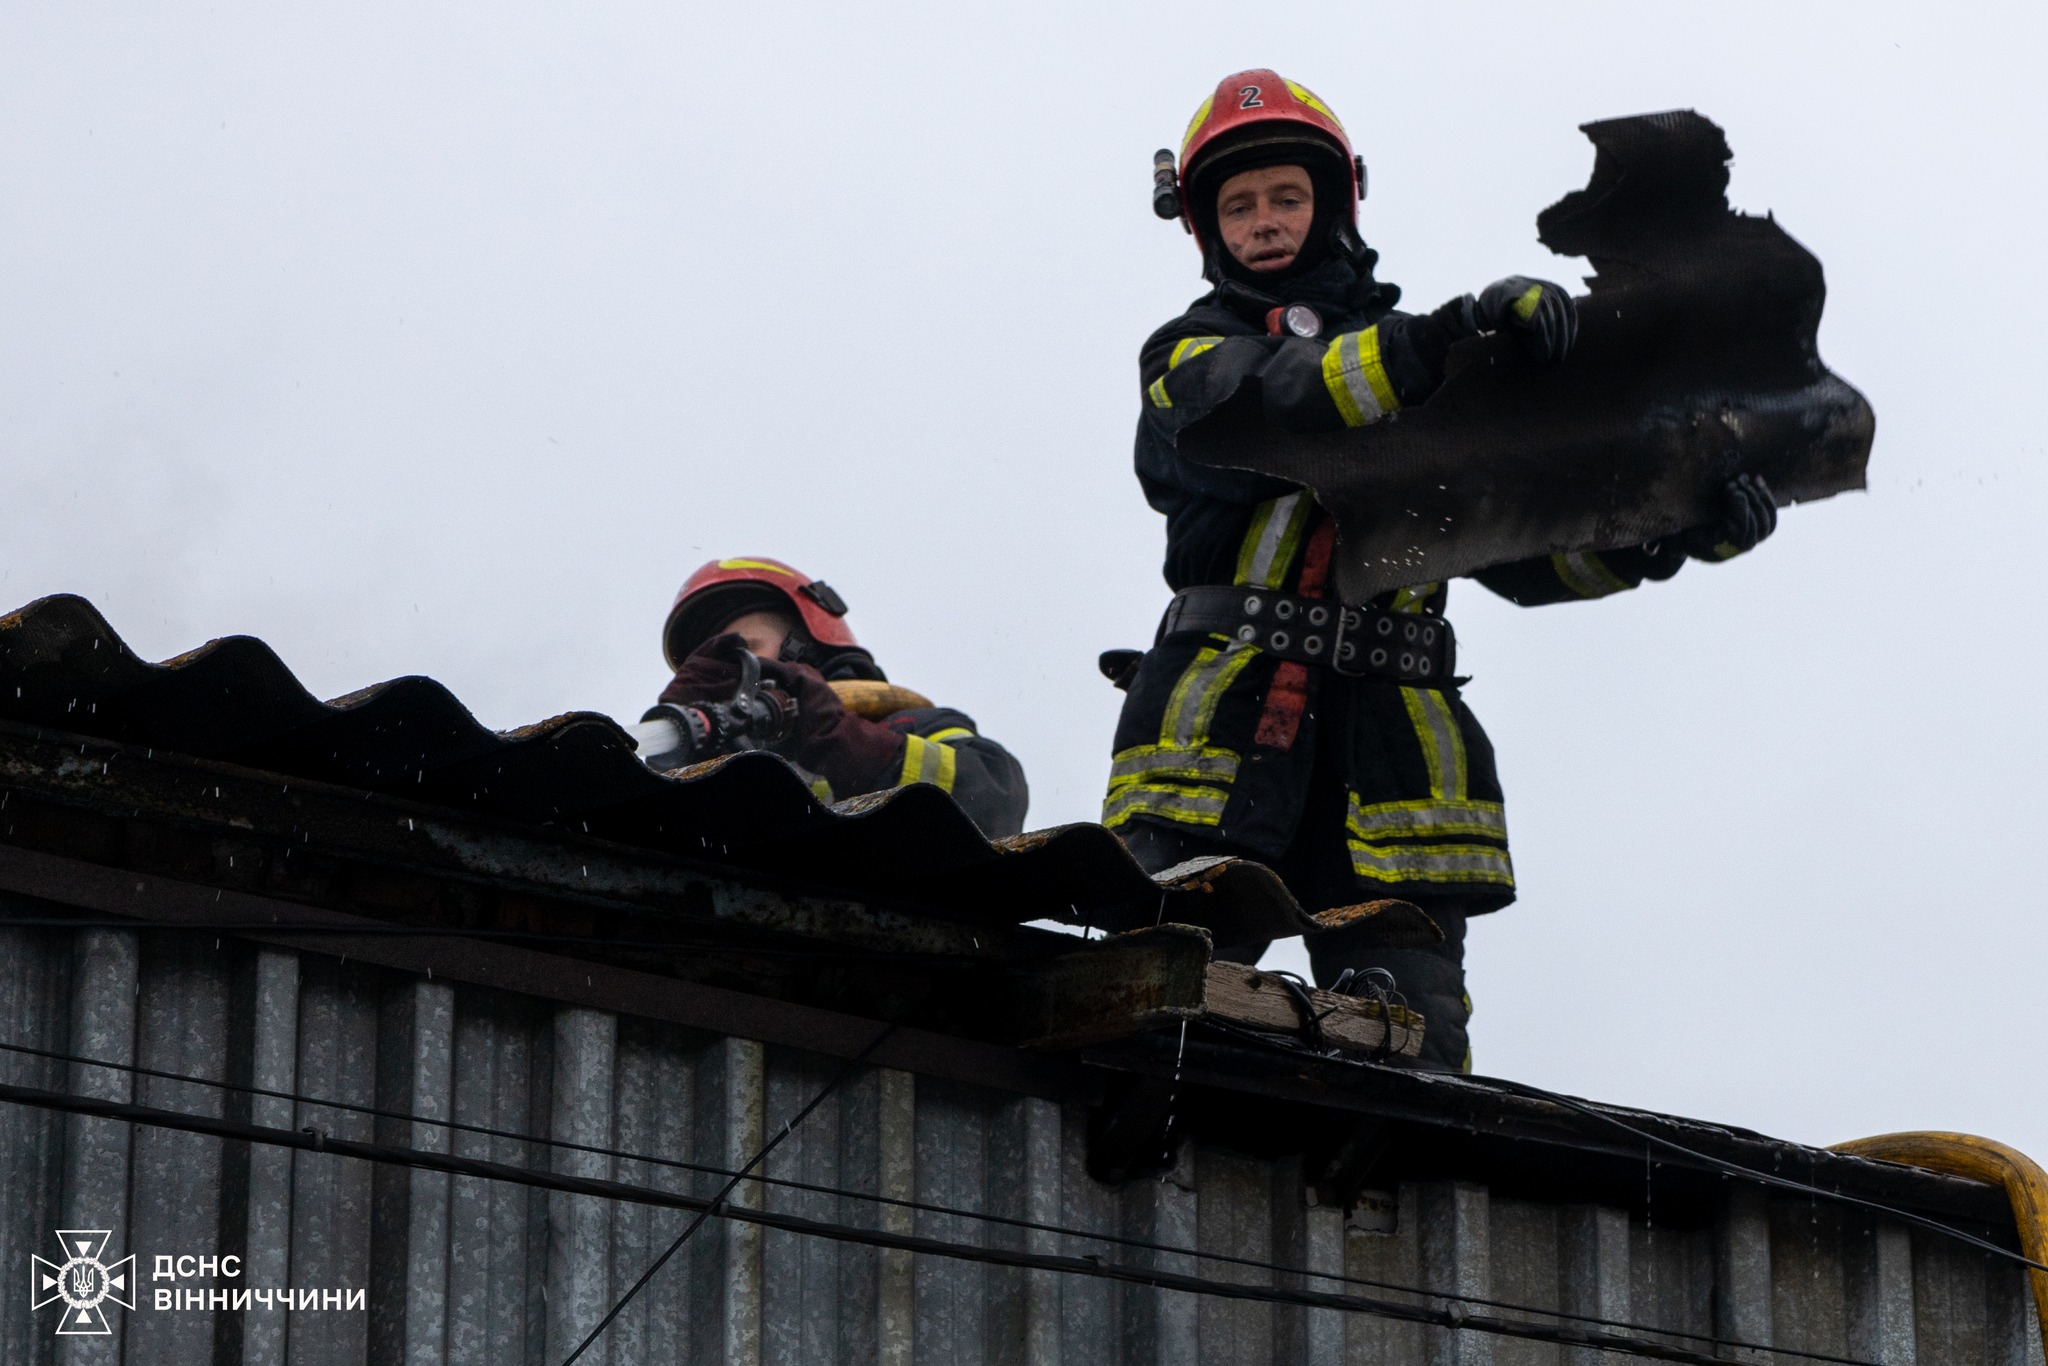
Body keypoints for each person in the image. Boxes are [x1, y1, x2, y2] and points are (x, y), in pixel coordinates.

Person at [1104, 71, 1777, 1070]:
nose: (1262, 223)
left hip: (1393, 765)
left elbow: (1523, 552)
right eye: (1236, 207)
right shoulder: (1189, 354)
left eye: (1284, 197)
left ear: (1332, 206)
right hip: (1218, 752)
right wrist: (1435, 346)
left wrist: (1672, 530)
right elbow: (1272, 402)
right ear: (1205, 230)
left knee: (1409, 1059)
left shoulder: (1439, 370)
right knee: (1145, 1026)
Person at [643, 557, 1029, 838]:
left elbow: (997, 800)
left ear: (805, 648)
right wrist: (681, 758)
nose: (733, 674)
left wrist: (850, 745)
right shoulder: (732, 774)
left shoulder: (910, 725)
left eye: (746, 650)